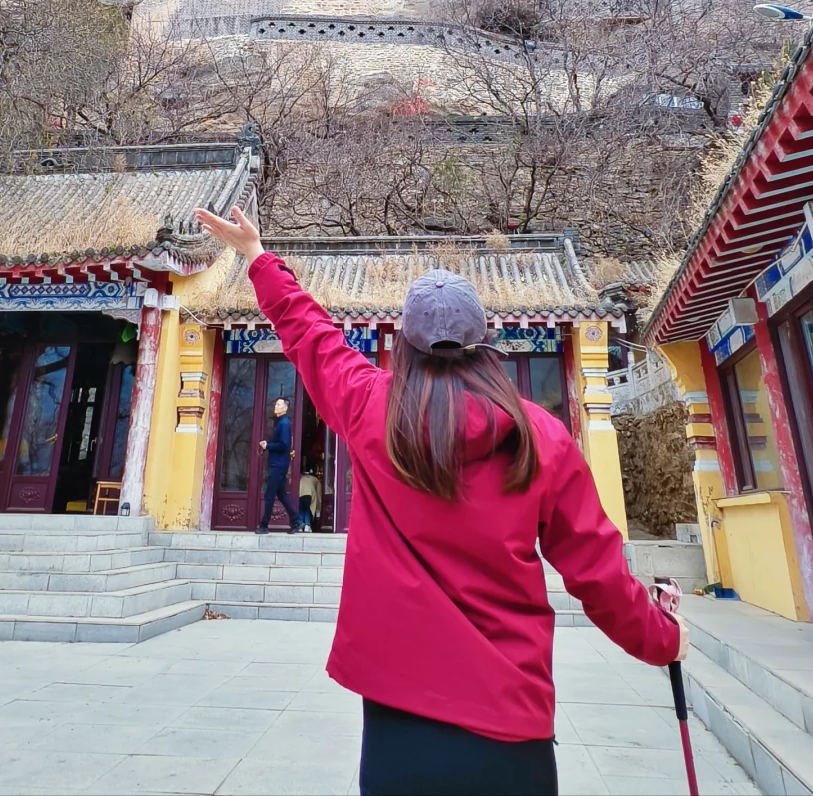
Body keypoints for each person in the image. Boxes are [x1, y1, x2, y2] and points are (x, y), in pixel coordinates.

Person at [196, 206, 688, 796]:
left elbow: (311, 334)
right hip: (513, 729)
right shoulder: (541, 436)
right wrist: (662, 636)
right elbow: (599, 571)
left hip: (397, 730)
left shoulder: (366, 406)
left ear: (402, 343)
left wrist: (256, 256)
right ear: (486, 343)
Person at [257, 395, 300, 533]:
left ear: (285, 408)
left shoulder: (284, 423)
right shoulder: (281, 422)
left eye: (279, 405)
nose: (276, 407)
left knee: (270, 495)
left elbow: (284, 445)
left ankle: (264, 525)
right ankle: (296, 522)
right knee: (282, 495)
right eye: (275, 405)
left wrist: (267, 445)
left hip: (278, 465)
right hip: (279, 464)